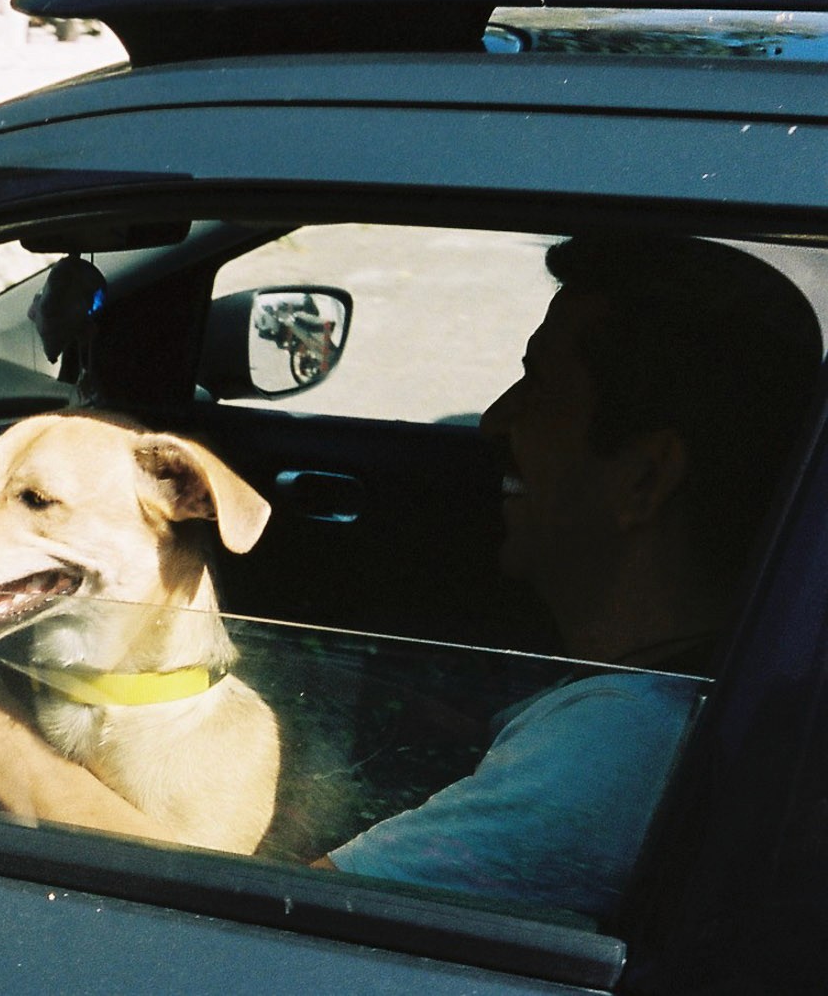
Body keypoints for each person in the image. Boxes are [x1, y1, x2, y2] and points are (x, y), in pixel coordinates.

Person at [320, 233, 822, 917]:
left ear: (645, 478)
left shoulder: (615, 748)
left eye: (539, 389)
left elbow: (258, 928)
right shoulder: (679, 699)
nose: (495, 420)